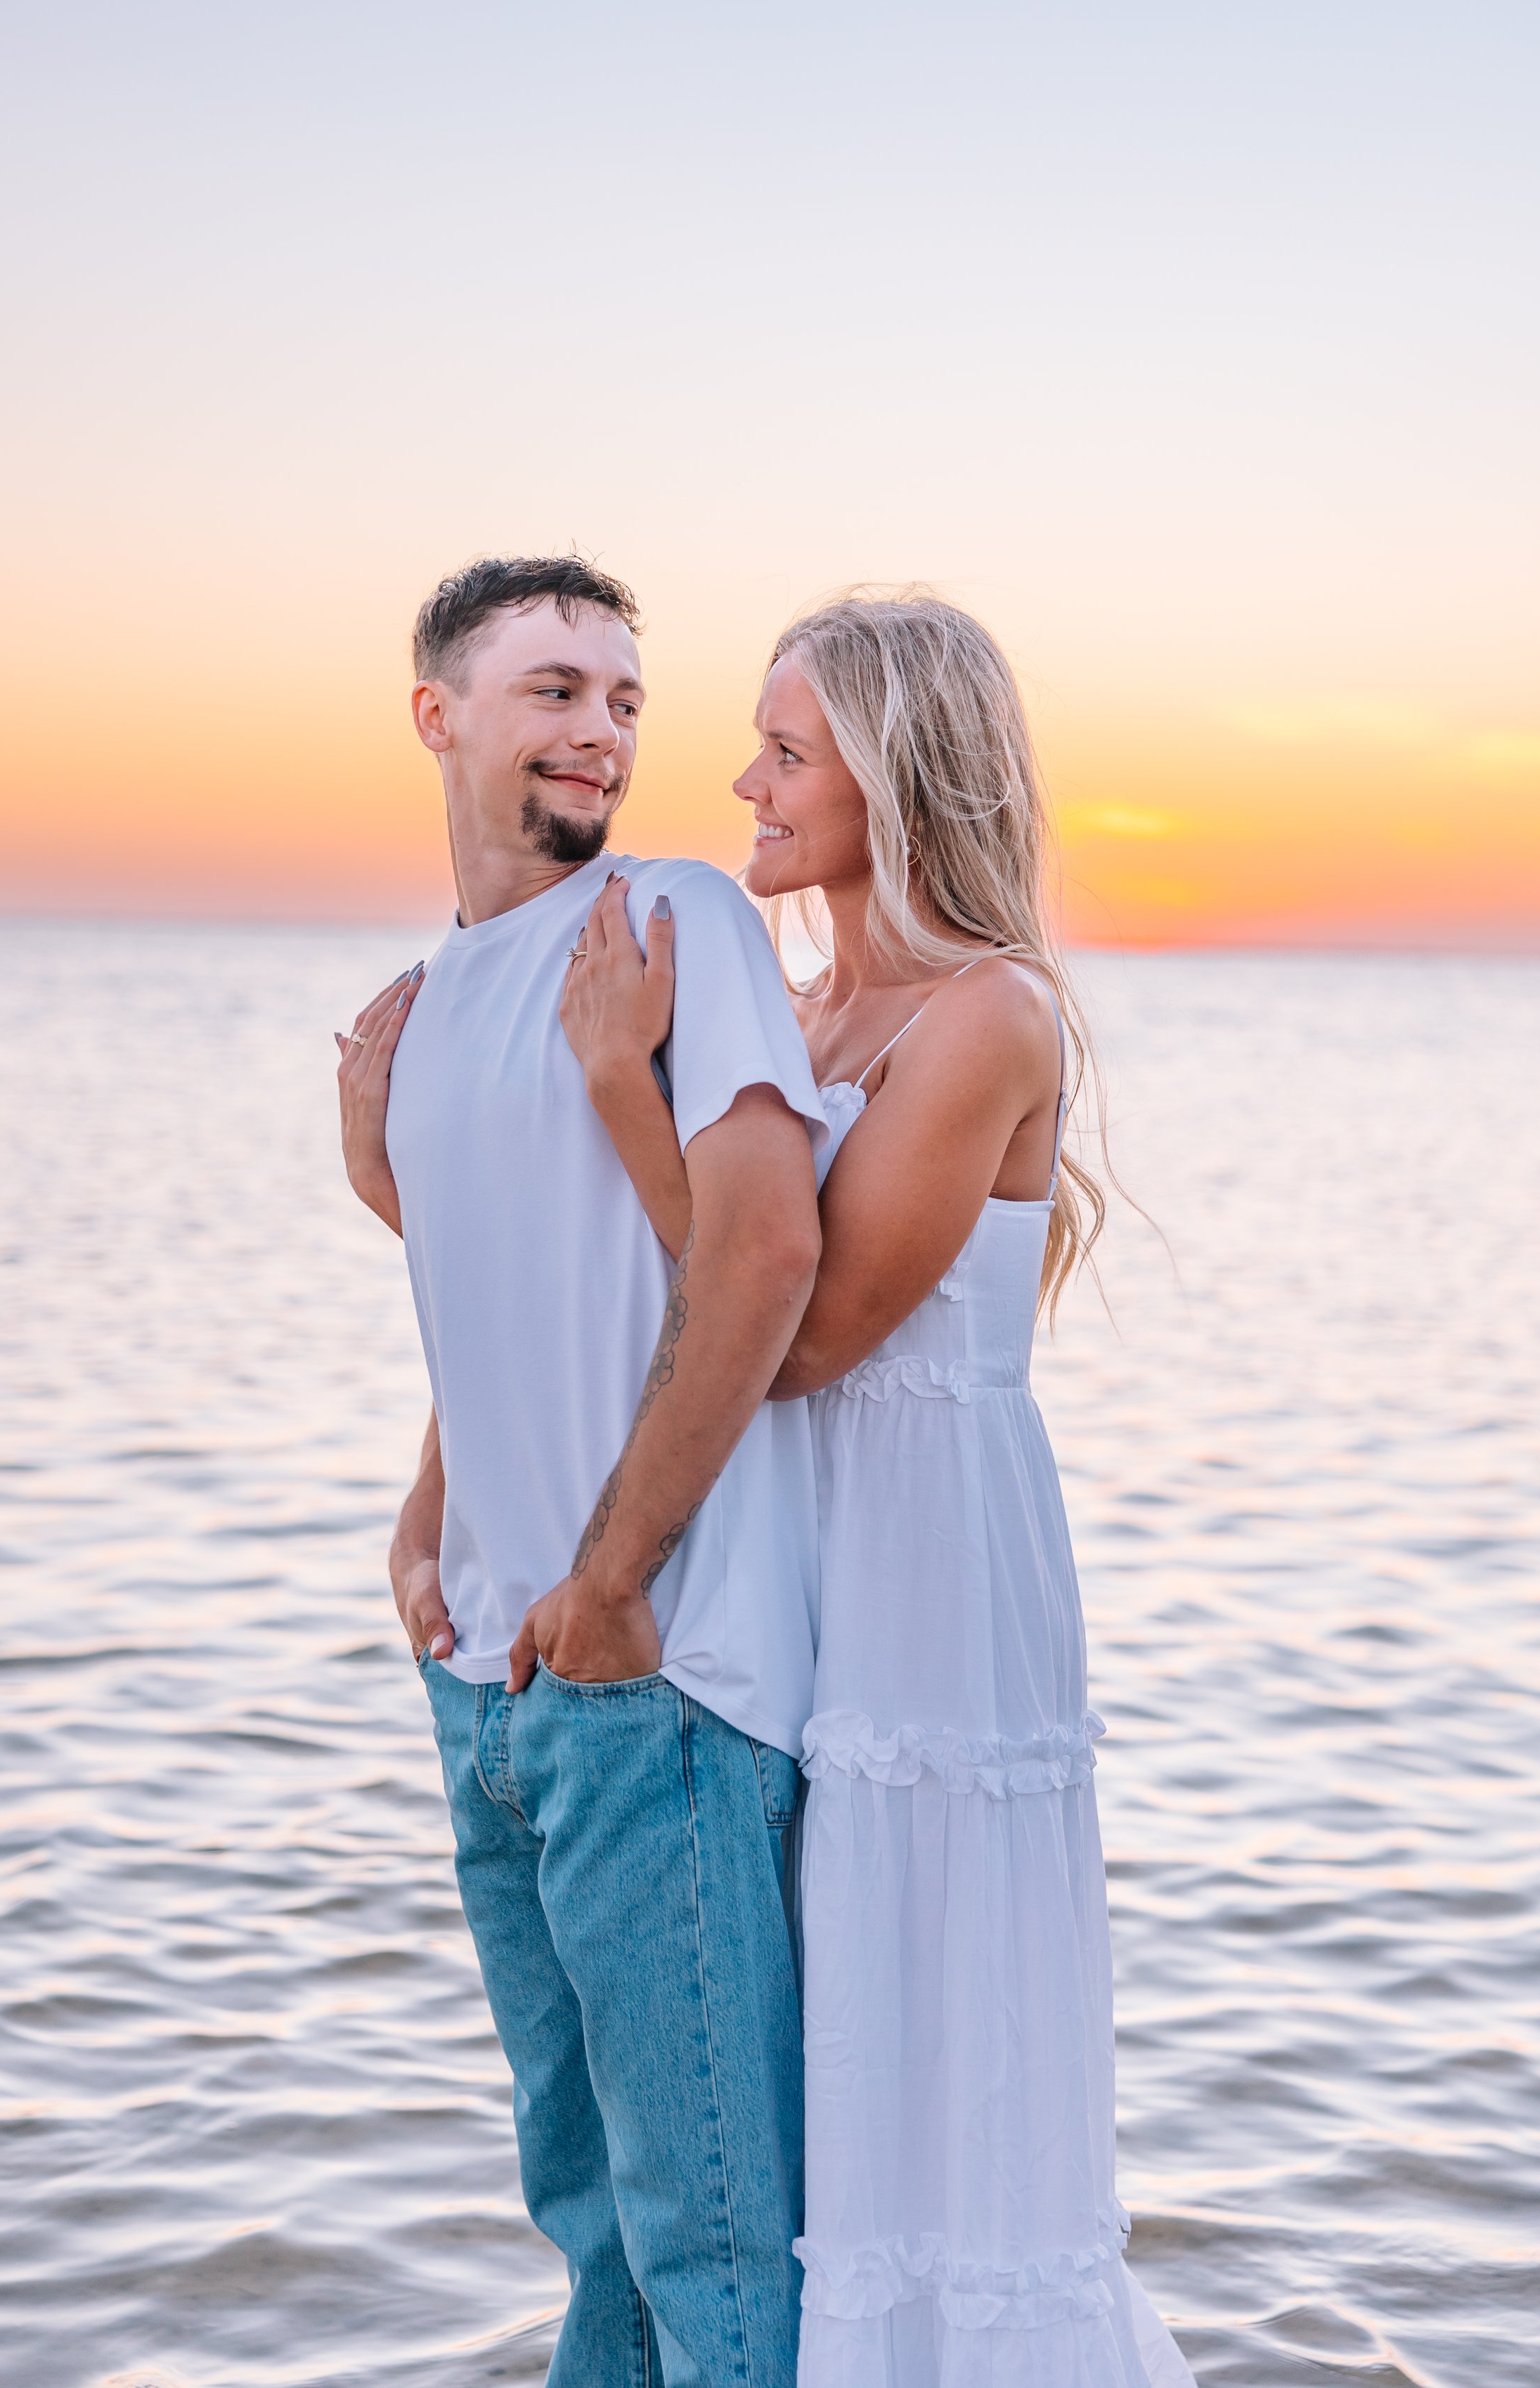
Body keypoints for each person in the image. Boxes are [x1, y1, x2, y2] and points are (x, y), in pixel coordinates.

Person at [563, 592, 1195, 2387]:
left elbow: (811, 1330)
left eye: (785, 749)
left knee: (924, 1981)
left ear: (894, 776)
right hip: (796, 1534)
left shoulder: (986, 1017)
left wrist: (627, 1087)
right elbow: (667, 1288)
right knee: (807, 2006)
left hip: (929, 1560)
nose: (740, 780)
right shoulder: (803, 1004)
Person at [335, 553, 828, 2388]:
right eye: (553, 688)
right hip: (487, 1677)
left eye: (623, 698)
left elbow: (763, 1260)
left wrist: (614, 1575)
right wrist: (422, 1530)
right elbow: (508, 1298)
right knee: (591, 2219)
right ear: (437, 713)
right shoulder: (430, 997)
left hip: (658, 1673)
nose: (600, 730)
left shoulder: (679, 915)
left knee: (707, 2241)